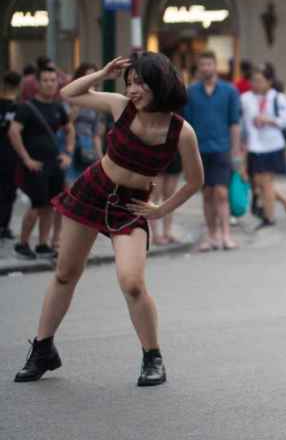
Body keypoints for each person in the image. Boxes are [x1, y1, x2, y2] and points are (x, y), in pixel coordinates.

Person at [14, 52, 202, 387]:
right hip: (92, 190)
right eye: (129, 84)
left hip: (130, 207)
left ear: (159, 83)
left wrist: (161, 210)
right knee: (65, 274)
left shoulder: (180, 132)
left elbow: (195, 180)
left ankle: (152, 357)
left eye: (140, 84)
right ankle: (43, 349)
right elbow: (68, 93)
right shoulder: (120, 107)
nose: (132, 91)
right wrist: (101, 73)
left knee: (132, 282)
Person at [8, 66, 74, 259]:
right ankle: (23, 243)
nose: (50, 84)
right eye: (45, 80)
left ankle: (43, 244)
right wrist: (26, 158)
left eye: (53, 80)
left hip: (55, 163)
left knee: (51, 205)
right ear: (37, 83)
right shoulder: (27, 107)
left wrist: (68, 152)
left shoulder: (58, 107)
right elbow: (13, 131)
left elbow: (70, 128)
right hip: (35, 165)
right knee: (37, 205)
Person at [183, 52, 242, 252]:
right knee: (207, 194)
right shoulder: (191, 92)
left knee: (222, 193)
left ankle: (226, 234)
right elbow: (186, 125)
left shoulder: (229, 91)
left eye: (209, 64)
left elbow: (234, 123)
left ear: (215, 66)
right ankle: (211, 235)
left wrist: (236, 152)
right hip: (199, 150)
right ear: (199, 68)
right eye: (202, 65)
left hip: (222, 149)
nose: (206, 68)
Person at [240, 65, 286, 229]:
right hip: (254, 145)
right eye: (253, 81)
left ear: (269, 82)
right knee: (257, 182)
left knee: (266, 182)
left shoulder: (278, 98)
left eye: (259, 81)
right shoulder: (245, 98)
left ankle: (269, 218)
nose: (255, 84)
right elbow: (243, 123)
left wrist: (270, 120)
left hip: (272, 146)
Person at [0, 71, 21, 241]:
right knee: (8, 191)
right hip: (10, 154)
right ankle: (4, 226)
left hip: (8, 154)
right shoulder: (17, 107)